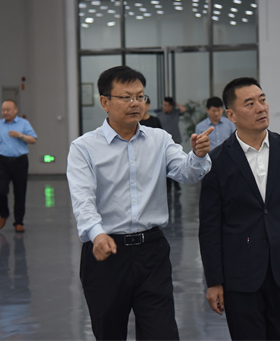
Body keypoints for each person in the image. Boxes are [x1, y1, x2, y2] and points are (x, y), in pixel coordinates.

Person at [66, 66, 214, 340]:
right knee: (109, 333)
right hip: (106, 254)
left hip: (152, 252)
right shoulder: (84, 148)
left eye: (140, 96)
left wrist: (197, 155)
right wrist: (96, 234)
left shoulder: (159, 139)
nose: (135, 103)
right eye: (126, 97)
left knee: (162, 333)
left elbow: (187, 173)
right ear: (105, 102)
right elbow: (82, 199)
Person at [199, 77, 280, 340]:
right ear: (231, 115)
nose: (261, 108)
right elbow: (209, 227)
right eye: (250, 103)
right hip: (239, 275)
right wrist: (214, 281)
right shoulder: (217, 161)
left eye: (262, 100)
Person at [0, 100, 37, 233]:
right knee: (0, 190)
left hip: (20, 161)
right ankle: (3, 214)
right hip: (3, 161)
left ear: (15, 110)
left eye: (8, 110)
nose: (5, 112)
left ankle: (19, 222)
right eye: (3, 110)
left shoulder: (24, 123)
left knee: (20, 192)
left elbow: (33, 139)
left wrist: (20, 135)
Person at [158, 97, 187, 192]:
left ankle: (176, 184)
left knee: (176, 163)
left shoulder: (175, 113)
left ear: (171, 106)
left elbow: (184, 109)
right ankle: (168, 186)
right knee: (165, 164)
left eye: (166, 105)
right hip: (163, 142)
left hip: (175, 140)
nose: (164, 107)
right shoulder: (160, 115)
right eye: (163, 105)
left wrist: (175, 104)